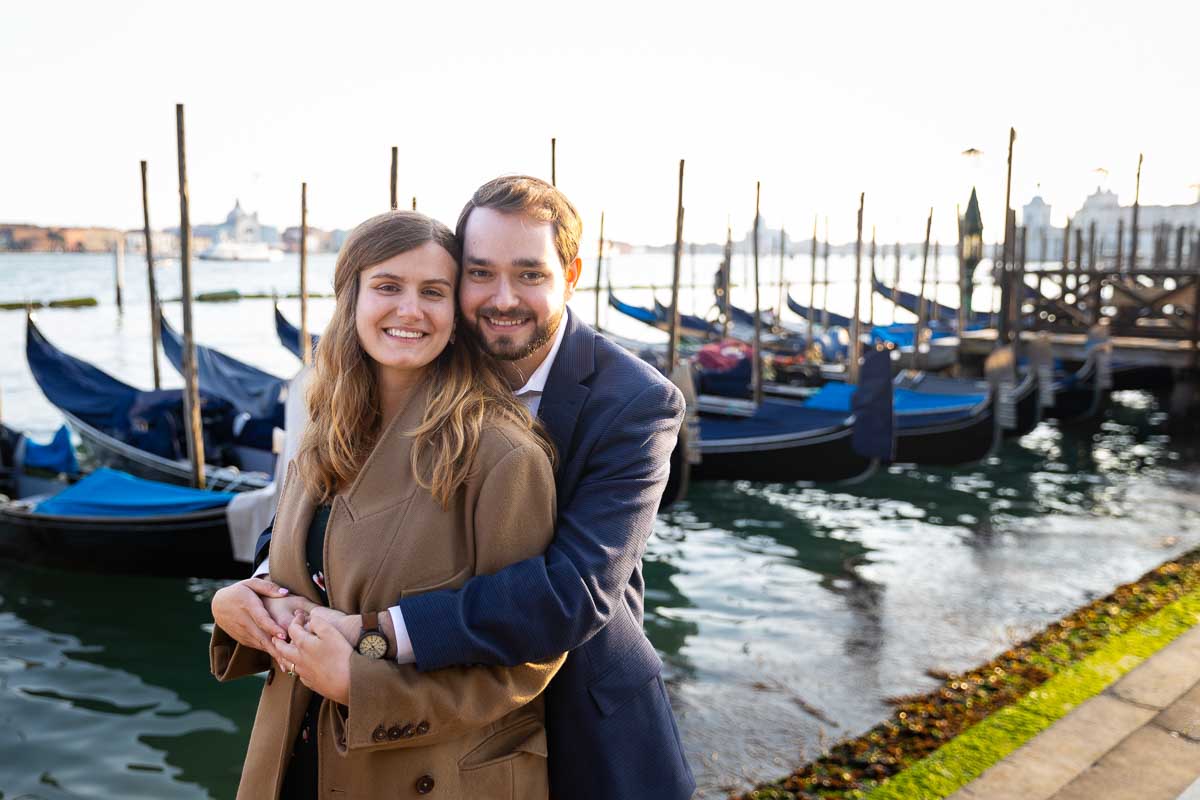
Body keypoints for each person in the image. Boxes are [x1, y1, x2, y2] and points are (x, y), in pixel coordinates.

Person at [221, 176, 696, 799]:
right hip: (388, 724)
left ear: (571, 272)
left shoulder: (636, 401)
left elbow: (574, 591)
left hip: (574, 698)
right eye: (480, 273)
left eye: (529, 273)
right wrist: (261, 587)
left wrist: (372, 633)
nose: (502, 298)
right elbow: (333, 509)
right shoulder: (414, 358)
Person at [210, 210, 564, 799]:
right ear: (350, 298)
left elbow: (531, 655)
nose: (410, 310)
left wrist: (363, 684)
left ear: (456, 314)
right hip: (292, 756)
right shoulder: (324, 429)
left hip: (422, 773)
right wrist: (237, 604)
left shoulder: (501, 455)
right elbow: (305, 571)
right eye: (387, 287)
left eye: (433, 292)